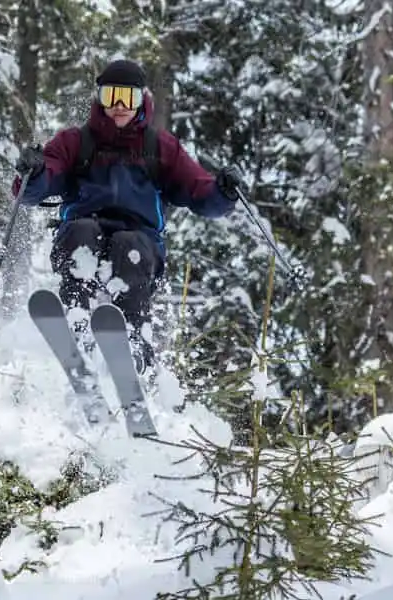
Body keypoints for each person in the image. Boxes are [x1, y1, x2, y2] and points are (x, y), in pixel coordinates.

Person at [14, 58, 241, 371]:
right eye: (111, 96)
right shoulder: (75, 142)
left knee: (129, 245)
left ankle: (133, 342)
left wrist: (223, 191)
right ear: (100, 99)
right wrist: (35, 171)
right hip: (83, 232)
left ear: (141, 100)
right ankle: (75, 320)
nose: (119, 105)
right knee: (81, 232)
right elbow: (36, 186)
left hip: (140, 242)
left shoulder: (160, 147)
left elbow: (199, 191)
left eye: (128, 97)